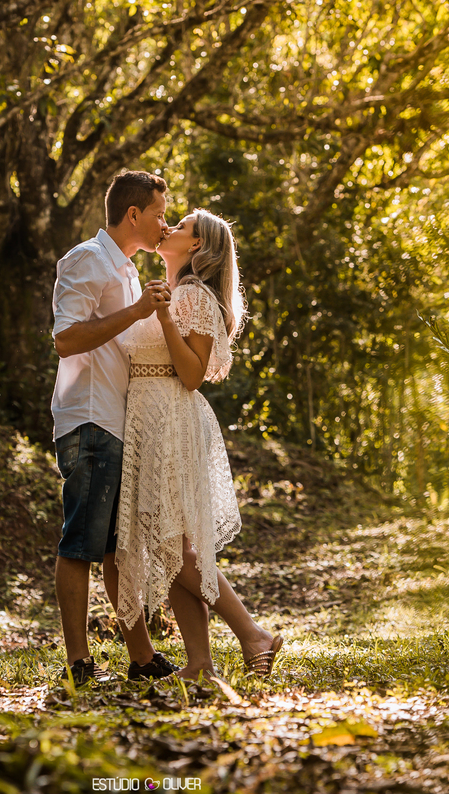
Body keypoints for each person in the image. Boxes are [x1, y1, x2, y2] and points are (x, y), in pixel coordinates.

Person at [115, 209, 283, 681]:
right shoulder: (170, 290)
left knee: (173, 546)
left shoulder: (195, 298)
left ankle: (252, 635)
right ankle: (201, 664)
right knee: (172, 543)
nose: (170, 226)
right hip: (147, 416)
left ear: (196, 246)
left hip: (170, 417)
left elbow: (191, 375)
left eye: (183, 225)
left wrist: (164, 315)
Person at [50, 170, 183, 685]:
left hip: (116, 421)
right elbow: (65, 339)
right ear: (134, 214)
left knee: (113, 546)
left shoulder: (126, 270)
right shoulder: (86, 258)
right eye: (159, 212)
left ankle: (141, 659)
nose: (163, 222)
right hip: (88, 418)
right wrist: (134, 311)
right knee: (81, 542)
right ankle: (80, 664)